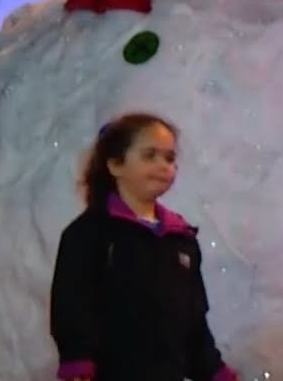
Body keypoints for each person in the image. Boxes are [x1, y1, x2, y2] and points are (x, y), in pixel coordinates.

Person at [49, 113, 238, 381]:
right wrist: (77, 360)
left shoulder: (181, 240)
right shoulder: (90, 233)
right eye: (150, 156)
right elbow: (71, 306)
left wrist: (214, 371)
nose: (163, 166)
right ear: (116, 164)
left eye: (169, 158)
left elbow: (193, 321)